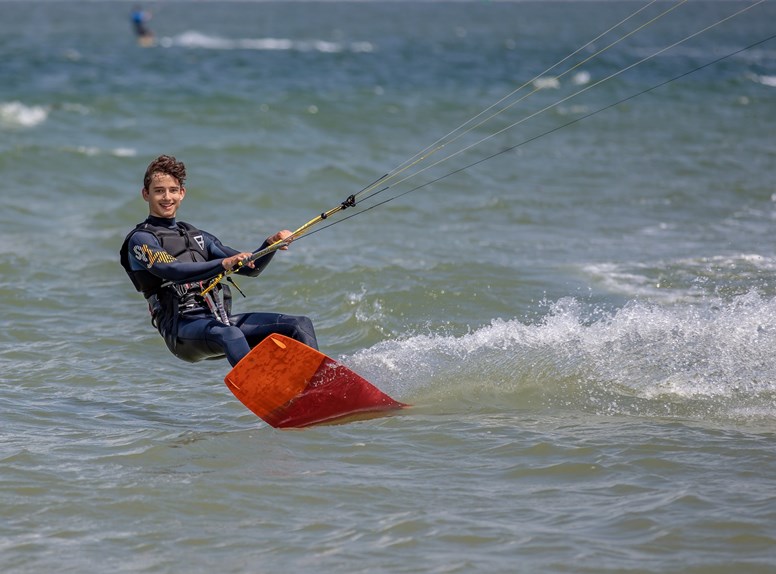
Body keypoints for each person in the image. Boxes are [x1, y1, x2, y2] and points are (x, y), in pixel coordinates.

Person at [120, 155, 318, 367]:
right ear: (145, 194)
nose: (167, 197)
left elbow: (251, 269)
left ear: (182, 193)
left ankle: (318, 382)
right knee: (230, 334)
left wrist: (270, 245)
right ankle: (261, 389)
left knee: (299, 325)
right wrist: (223, 264)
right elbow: (172, 270)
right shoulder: (141, 239)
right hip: (181, 328)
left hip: (217, 321)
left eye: (173, 190)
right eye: (159, 191)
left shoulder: (198, 237)